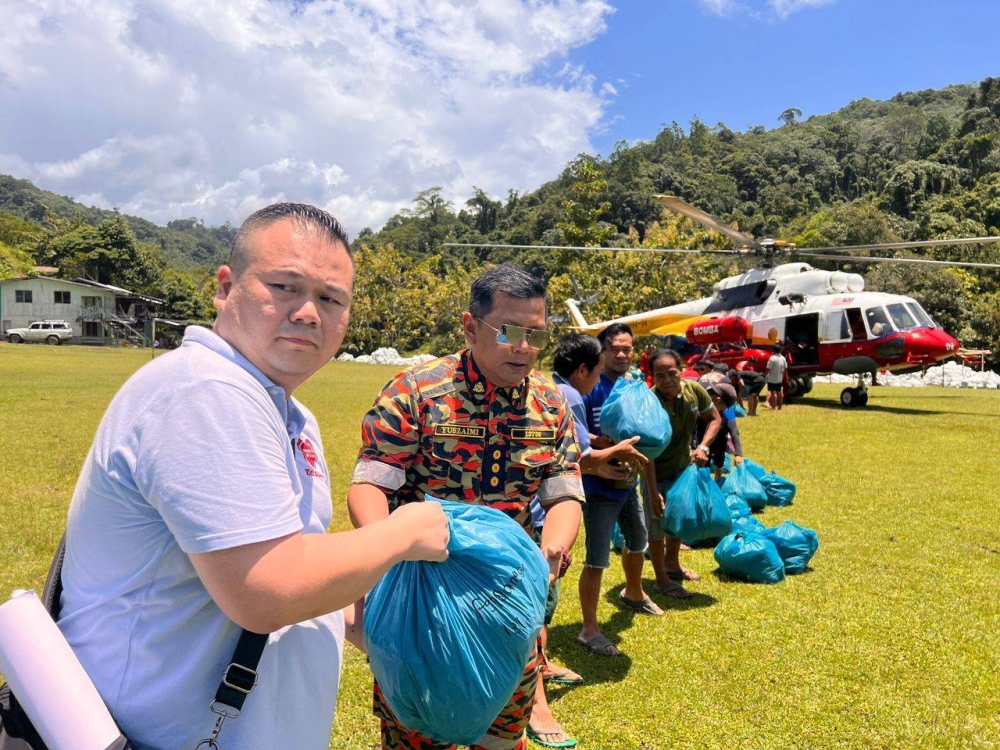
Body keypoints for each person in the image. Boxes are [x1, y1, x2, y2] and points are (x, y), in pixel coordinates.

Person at [57, 203, 450, 750]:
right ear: (225, 287)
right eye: (285, 286)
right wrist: (405, 531)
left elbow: (297, 558)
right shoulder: (207, 391)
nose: (309, 312)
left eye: (331, 299)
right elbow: (269, 589)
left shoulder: (292, 415)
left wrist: (378, 628)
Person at [347, 266, 585, 750]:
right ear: (471, 327)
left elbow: (563, 492)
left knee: (501, 731)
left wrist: (553, 550)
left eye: (536, 334)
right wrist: (388, 556)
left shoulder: (550, 403)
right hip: (424, 601)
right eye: (510, 331)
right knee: (417, 730)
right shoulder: (416, 392)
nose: (524, 347)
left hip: (509, 600)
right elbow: (371, 484)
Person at [578, 322, 663, 657]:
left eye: (628, 348)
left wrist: (651, 486)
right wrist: (610, 448)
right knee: (597, 559)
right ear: (603, 350)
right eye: (615, 348)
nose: (622, 354)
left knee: (638, 540)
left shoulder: (633, 386)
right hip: (599, 485)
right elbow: (579, 435)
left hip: (630, 482)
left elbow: (648, 436)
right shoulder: (591, 386)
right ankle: (589, 629)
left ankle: (634, 591)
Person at [645, 349, 723, 597]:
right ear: (652, 377)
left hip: (681, 470)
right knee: (657, 526)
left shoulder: (694, 391)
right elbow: (645, 449)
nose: (667, 380)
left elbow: (714, 418)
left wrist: (703, 446)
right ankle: (661, 579)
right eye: (660, 375)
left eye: (671, 373)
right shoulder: (649, 401)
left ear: (682, 370)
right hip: (653, 471)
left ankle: (673, 564)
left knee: (678, 519)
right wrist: (652, 488)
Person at [698, 381, 744, 481]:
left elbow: (734, 431)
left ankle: (717, 479)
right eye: (724, 407)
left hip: (720, 436)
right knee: (703, 461)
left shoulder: (727, 411)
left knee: (719, 458)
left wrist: (738, 454)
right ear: (717, 400)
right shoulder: (699, 401)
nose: (724, 409)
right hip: (701, 433)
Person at [765, 346, 788, 411]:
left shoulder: (772, 358)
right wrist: (782, 374)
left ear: (773, 350)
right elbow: (785, 368)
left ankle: (774, 407)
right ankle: (780, 407)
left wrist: (765, 375)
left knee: (773, 392)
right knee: (779, 392)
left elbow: (768, 368)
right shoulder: (783, 358)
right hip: (779, 378)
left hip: (772, 378)